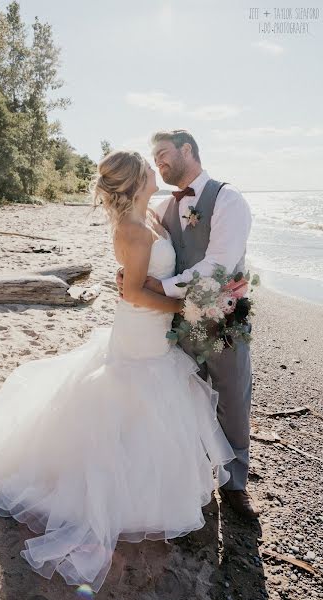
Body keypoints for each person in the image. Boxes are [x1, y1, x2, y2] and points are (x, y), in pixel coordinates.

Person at [0, 150, 236, 594]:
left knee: (151, 404)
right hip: (141, 331)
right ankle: (119, 498)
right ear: (134, 182)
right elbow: (132, 295)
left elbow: (143, 276)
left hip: (153, 331)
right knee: (132, 397)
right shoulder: (131, 228)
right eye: (149, 170)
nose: (155, 172)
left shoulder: (149, 214)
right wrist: (187, 309)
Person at [117, 130, 260, 520]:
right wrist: (128, 274)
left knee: (231, 398)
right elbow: (146, 250)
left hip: (222, 318)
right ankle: (194, 477)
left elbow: (218, 265)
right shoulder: (162, 208)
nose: (158, 162)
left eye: (162, 153)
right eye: (153, 157)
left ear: (187, 150)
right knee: (188, 398)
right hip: (177, 324)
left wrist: (159, 285)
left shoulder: (228, 199)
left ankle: (234, 485)